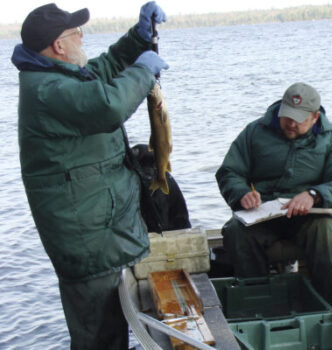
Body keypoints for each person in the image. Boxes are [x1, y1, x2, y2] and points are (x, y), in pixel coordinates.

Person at [12, 2, 168, 348]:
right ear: (58, 46)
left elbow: (106, 68)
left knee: (111, 334)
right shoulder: (48, 90)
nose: (82, 37)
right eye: (75, 33)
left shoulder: (60, 76)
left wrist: (137, 40)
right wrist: (143, 73)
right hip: (87, 243)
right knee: (100, 339)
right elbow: (108, 105)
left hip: (99, 234)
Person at [215, 82, 332, 313]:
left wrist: (314, 194)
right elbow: (229, 172)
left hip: (309, 217)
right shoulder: (254, 132)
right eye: (286, 116)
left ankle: (329, 311)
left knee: (329, 233)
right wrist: (241, 194)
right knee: (235, 232)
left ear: (315, 117)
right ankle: (257, 310)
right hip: (262, 216)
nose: (290, 123)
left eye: (298, 119)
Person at [132, 144, 191, 232]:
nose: (148, 174)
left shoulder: (163, 181)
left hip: (169, 230)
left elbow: (164, 220)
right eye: (142, 166)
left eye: (153, 166)